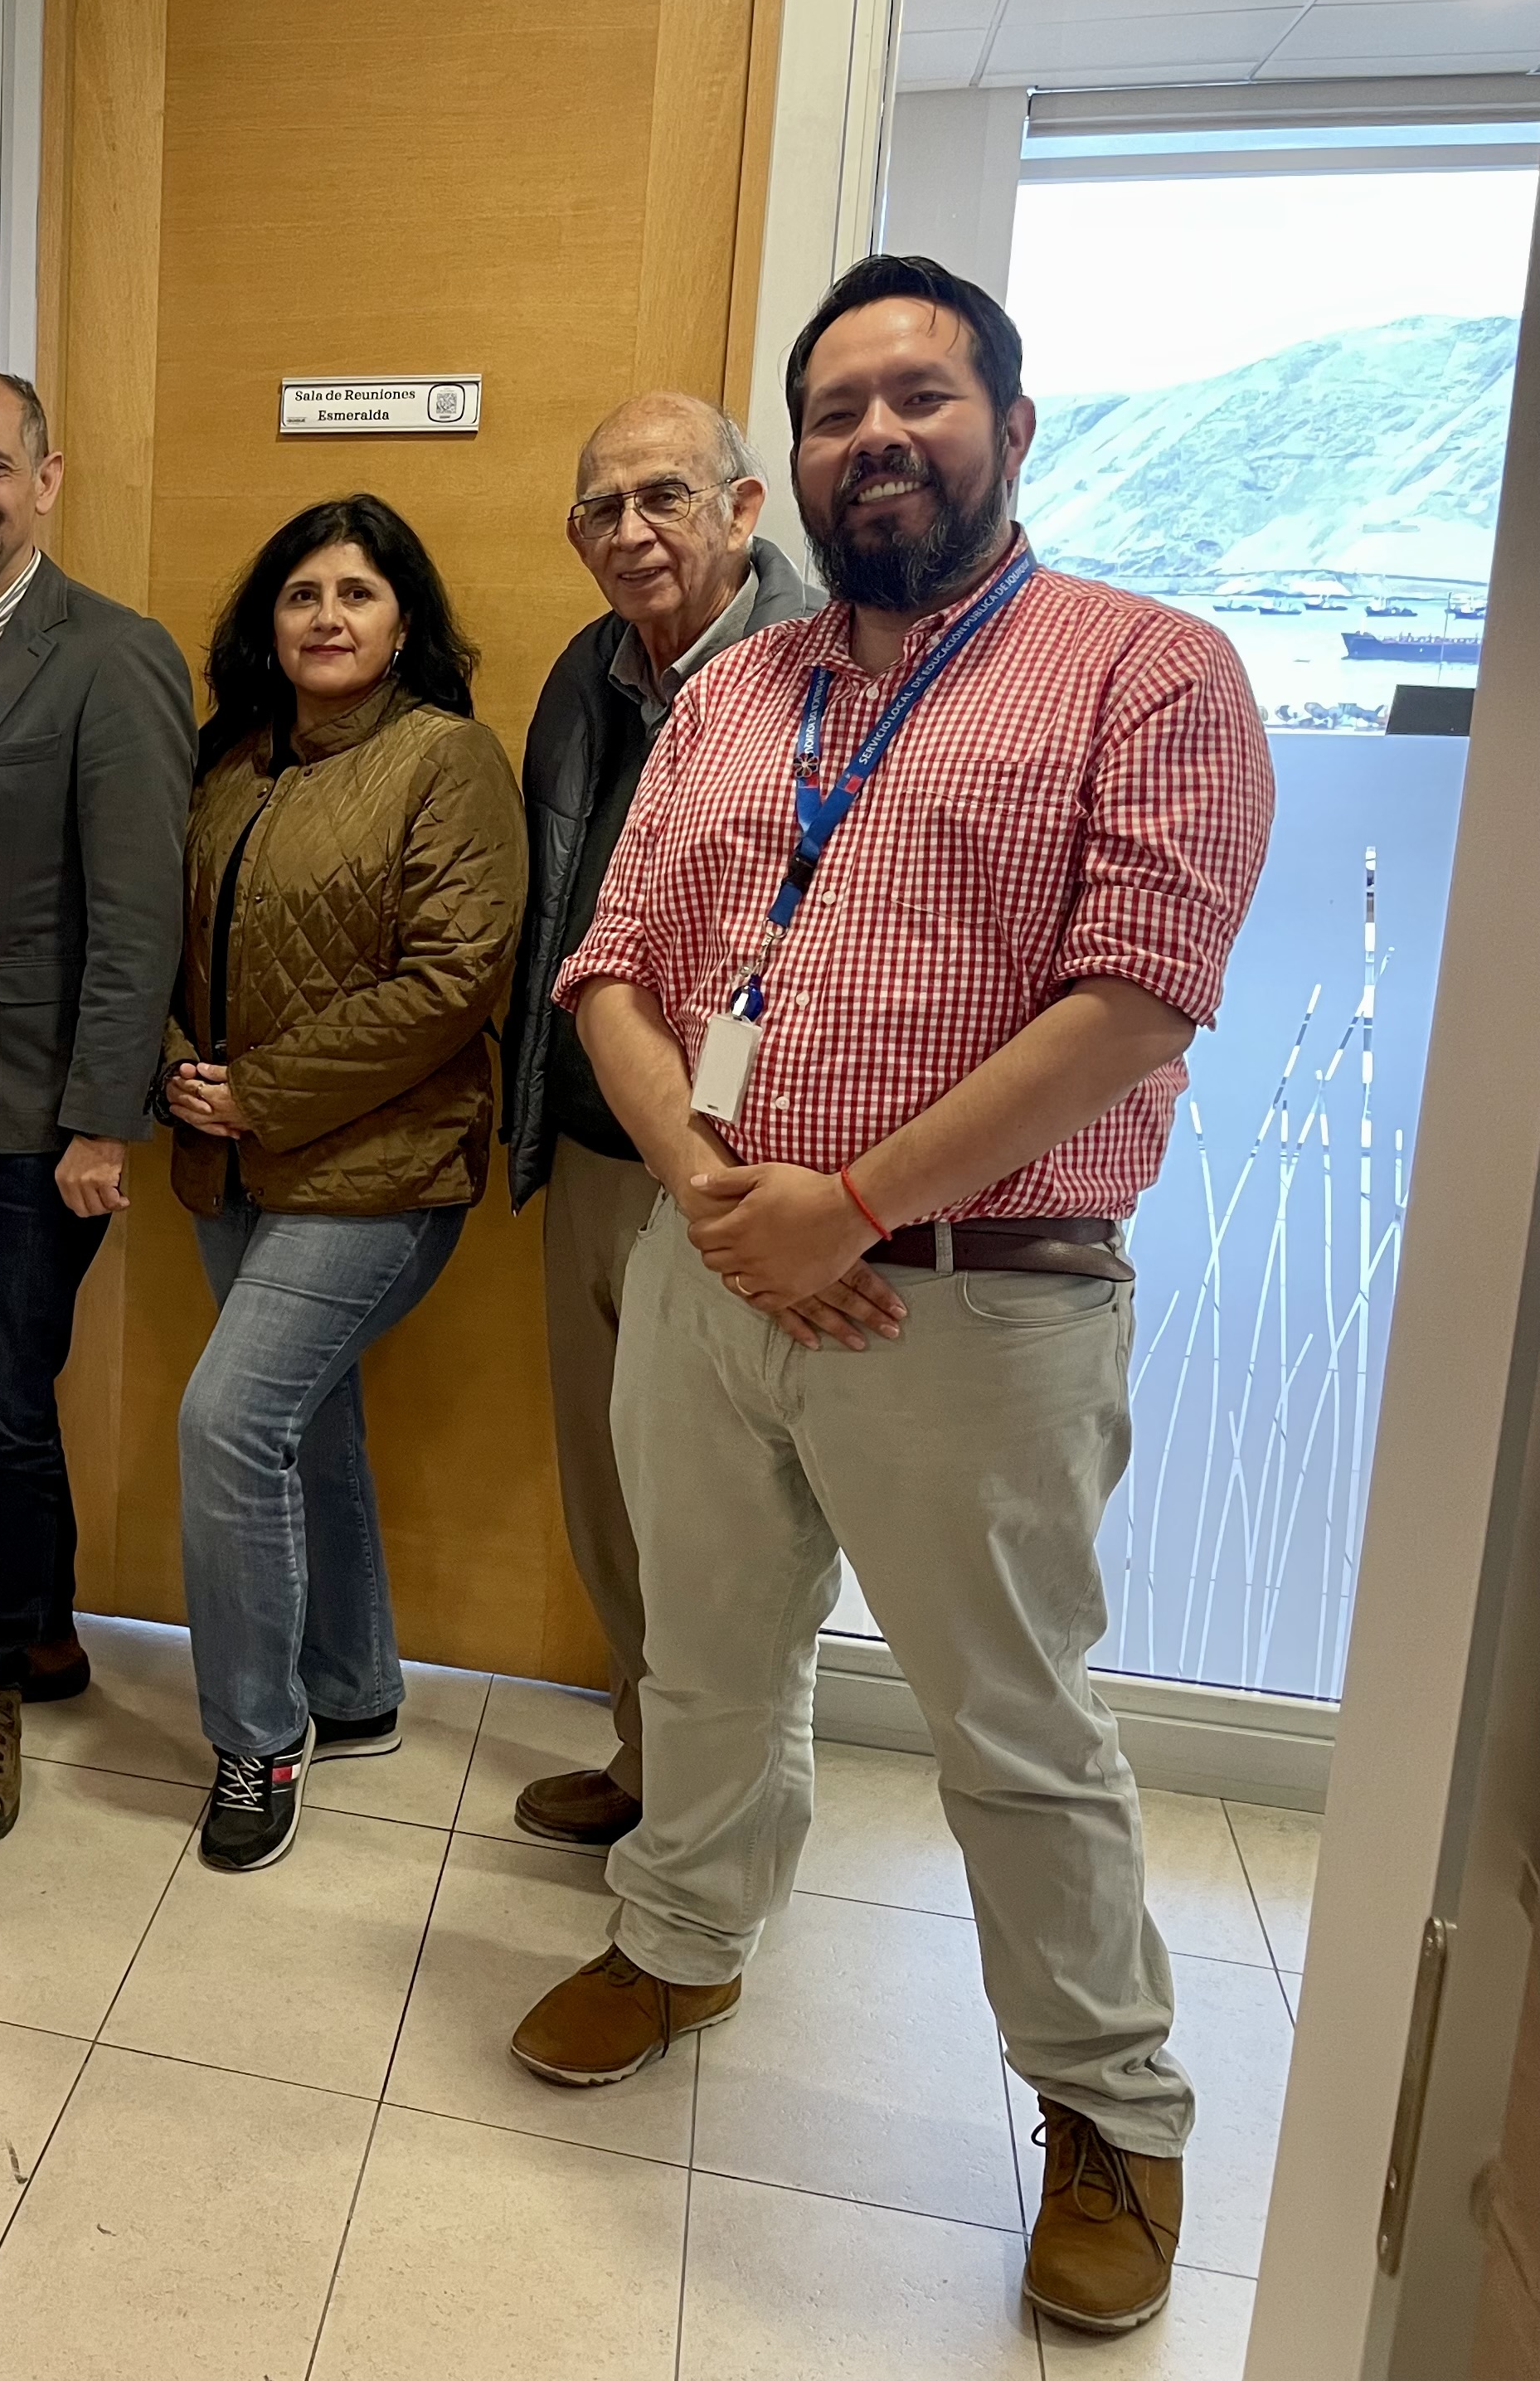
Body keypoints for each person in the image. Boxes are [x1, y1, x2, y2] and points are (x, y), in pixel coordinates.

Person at [516, 254, 1272, 2339]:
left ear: (1009, 428)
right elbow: (613, 967)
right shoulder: (732, 694)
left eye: (920, 397)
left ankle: (1110, 2109)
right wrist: (714, 1194)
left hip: (974, 1300)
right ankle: (680, 1942)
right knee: (704, 1662)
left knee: (1013, 1729)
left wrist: (846, 1205)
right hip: (713, 1272)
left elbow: (1139, 994)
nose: (877, 437)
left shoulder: (1149, 670)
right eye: (839, 406)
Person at [160, 495, 521, 1872]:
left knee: (228, 1421)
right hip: (233, 1157)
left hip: (381, 1172)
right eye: (302, 593)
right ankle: (355, 1687)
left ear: (403, 620)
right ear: (270, 623)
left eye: (356, 593)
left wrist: (264, 1088)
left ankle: (257, 1740)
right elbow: (166, 940)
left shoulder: (447, 759)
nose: (327, 617)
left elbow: (454, 978)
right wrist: (182, 1070)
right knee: (305, 1424)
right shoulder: (230, 762)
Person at [0, 367, 195, 1847]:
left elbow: (138, 915)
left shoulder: (112, 657)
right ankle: (48, 1633)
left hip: (48, 1109)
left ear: (46, 481)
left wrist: (102, 1121)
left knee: (1, 1398)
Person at [499, 394, 820, 1849]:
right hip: (590, 1143)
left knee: (728, 1530)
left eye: (664, 497)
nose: (629, 532)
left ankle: (712, 1840)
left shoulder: (825, 671)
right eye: (601, 507)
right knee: (613, 1499)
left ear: (744, 507)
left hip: (738, 1169)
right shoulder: (590, 671)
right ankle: (651, 1764)